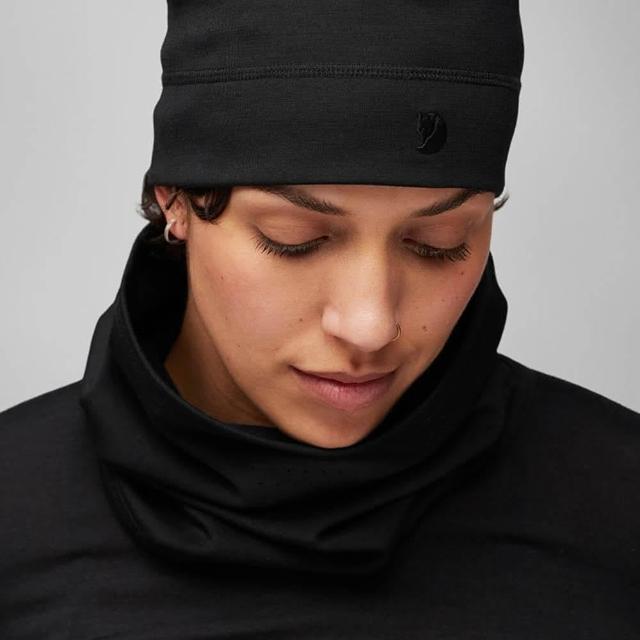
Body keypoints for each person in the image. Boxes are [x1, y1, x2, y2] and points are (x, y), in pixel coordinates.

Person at [2, 1, 639, 638]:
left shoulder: (618, 504)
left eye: (438, 243)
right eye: (295, 241)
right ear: (176, 201)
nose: (369, 325)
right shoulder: (14, 520)